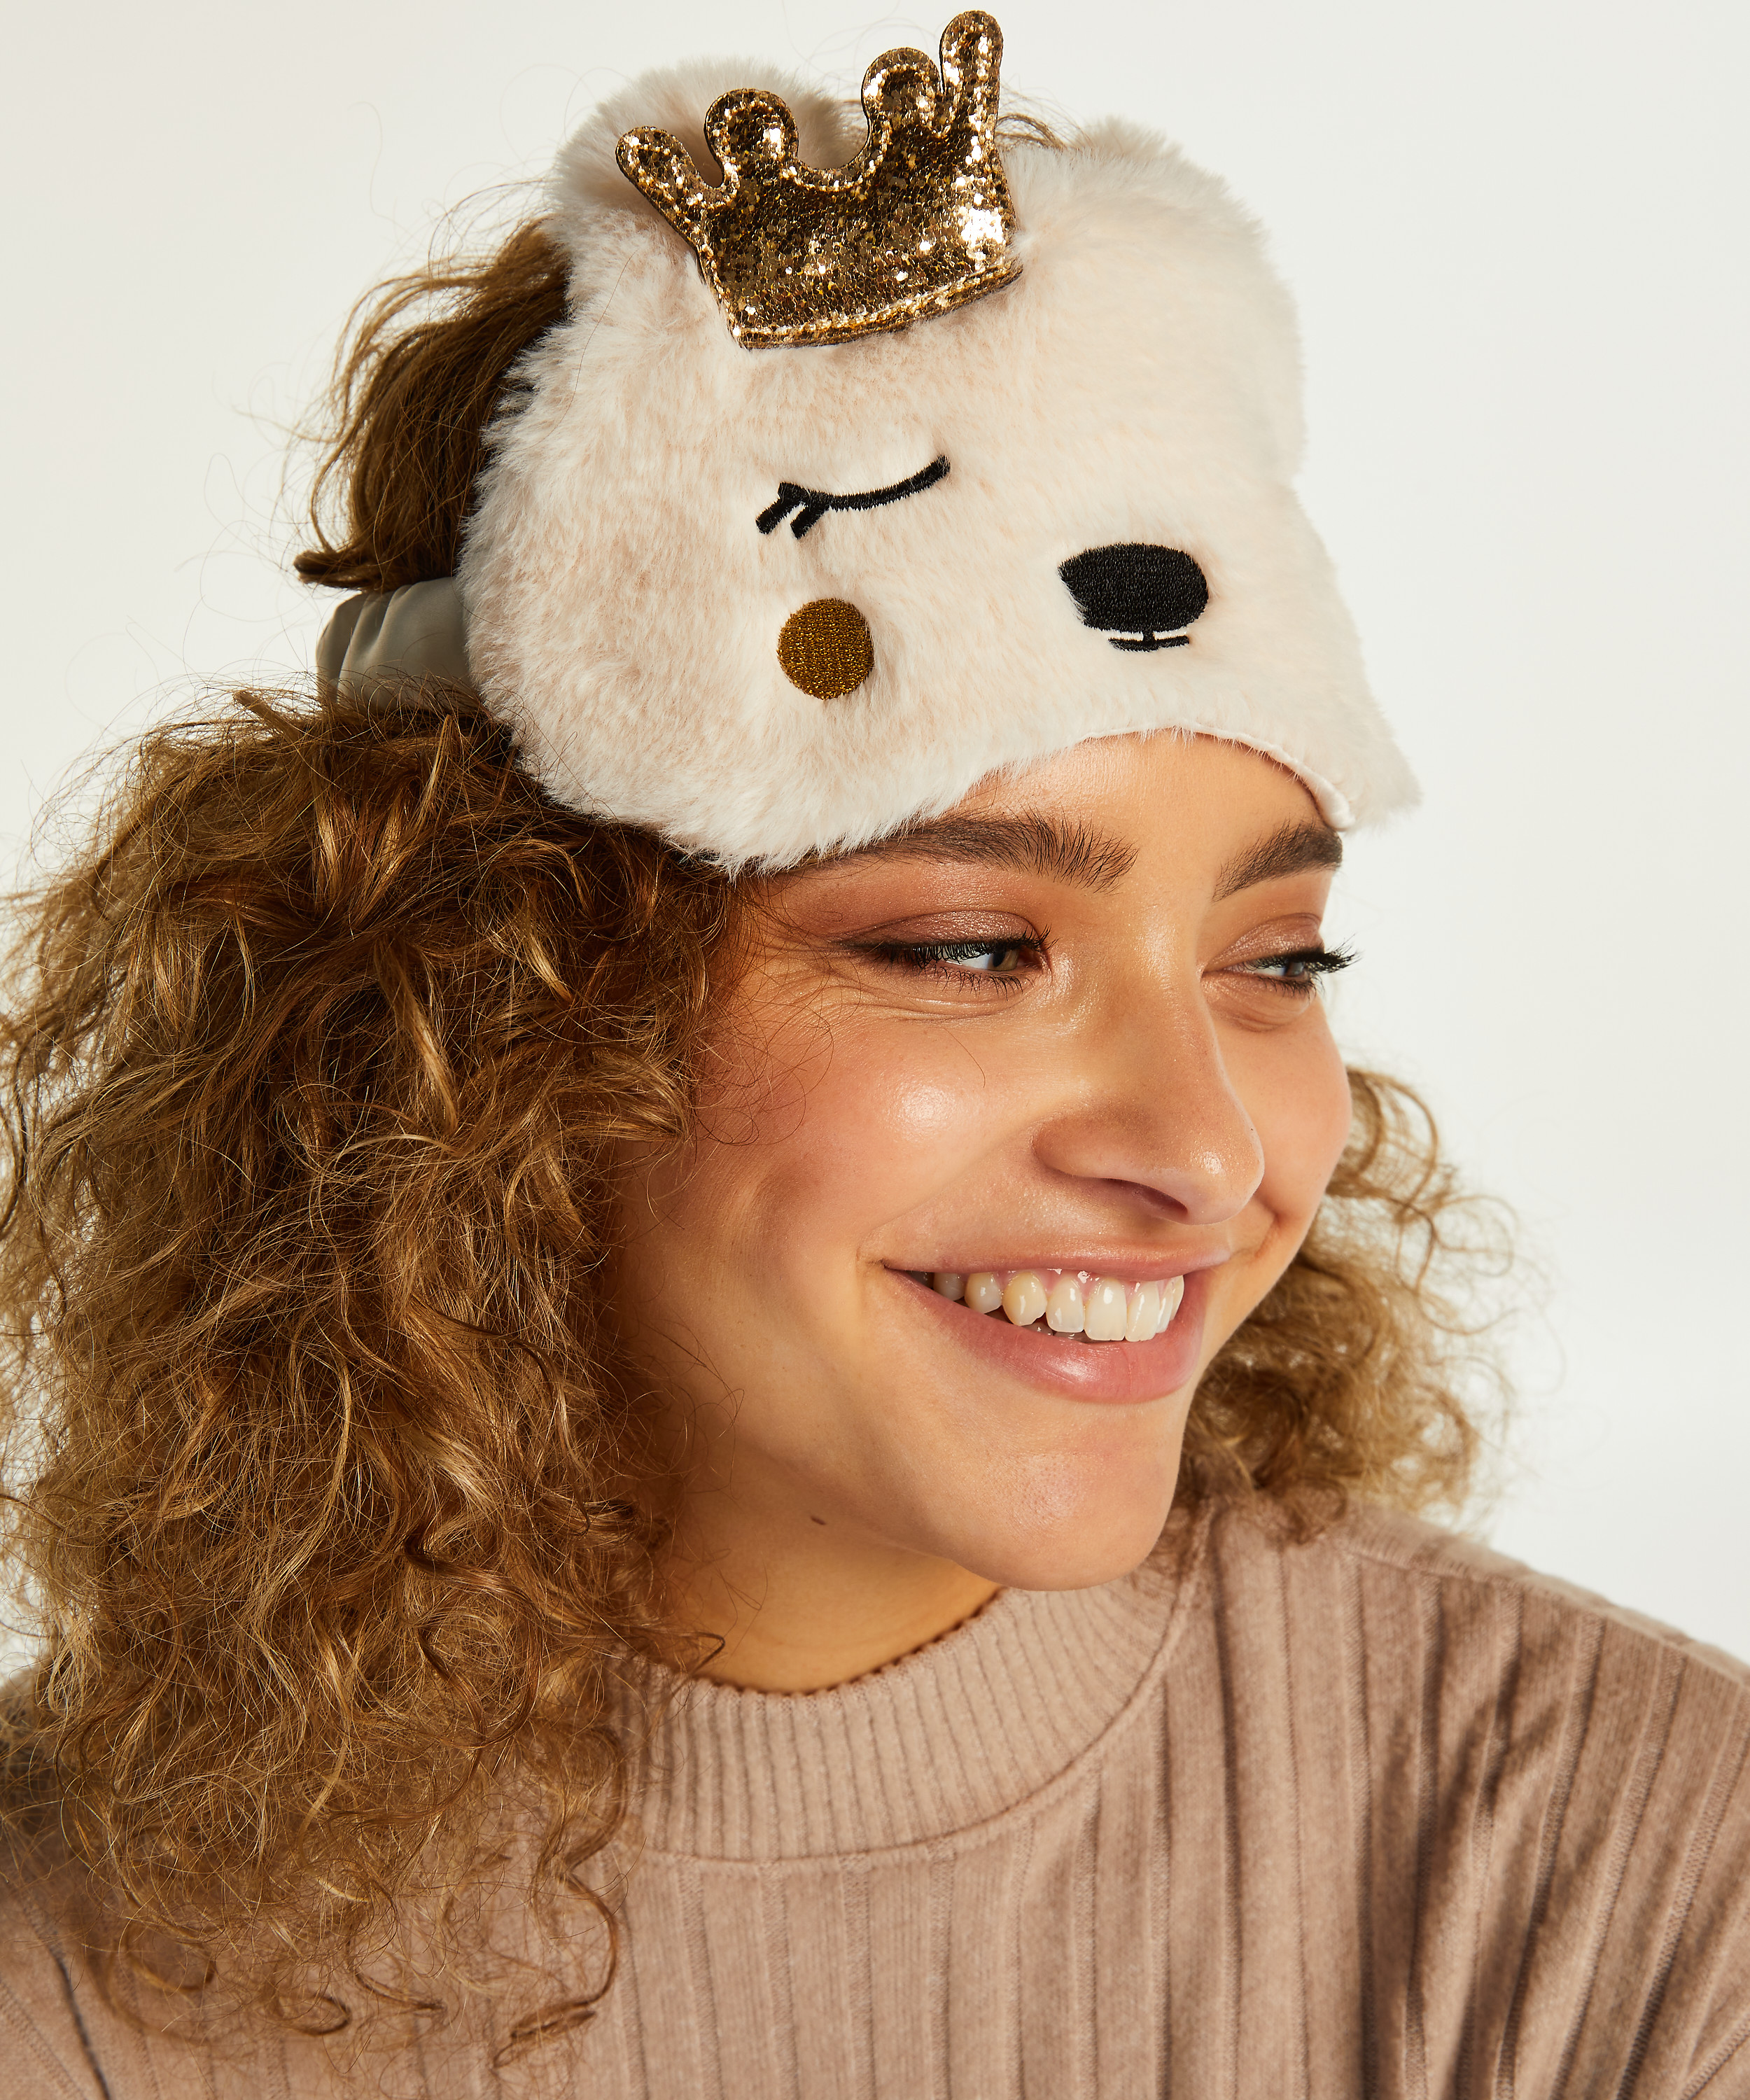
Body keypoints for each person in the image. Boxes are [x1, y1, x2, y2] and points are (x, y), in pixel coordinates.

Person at [1, 12, 1746, 2096]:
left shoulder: (1640, 1876)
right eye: (970, 948)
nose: (1208, 1152)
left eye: (1278, 958)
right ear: (479, 1018)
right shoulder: (67, 1966)